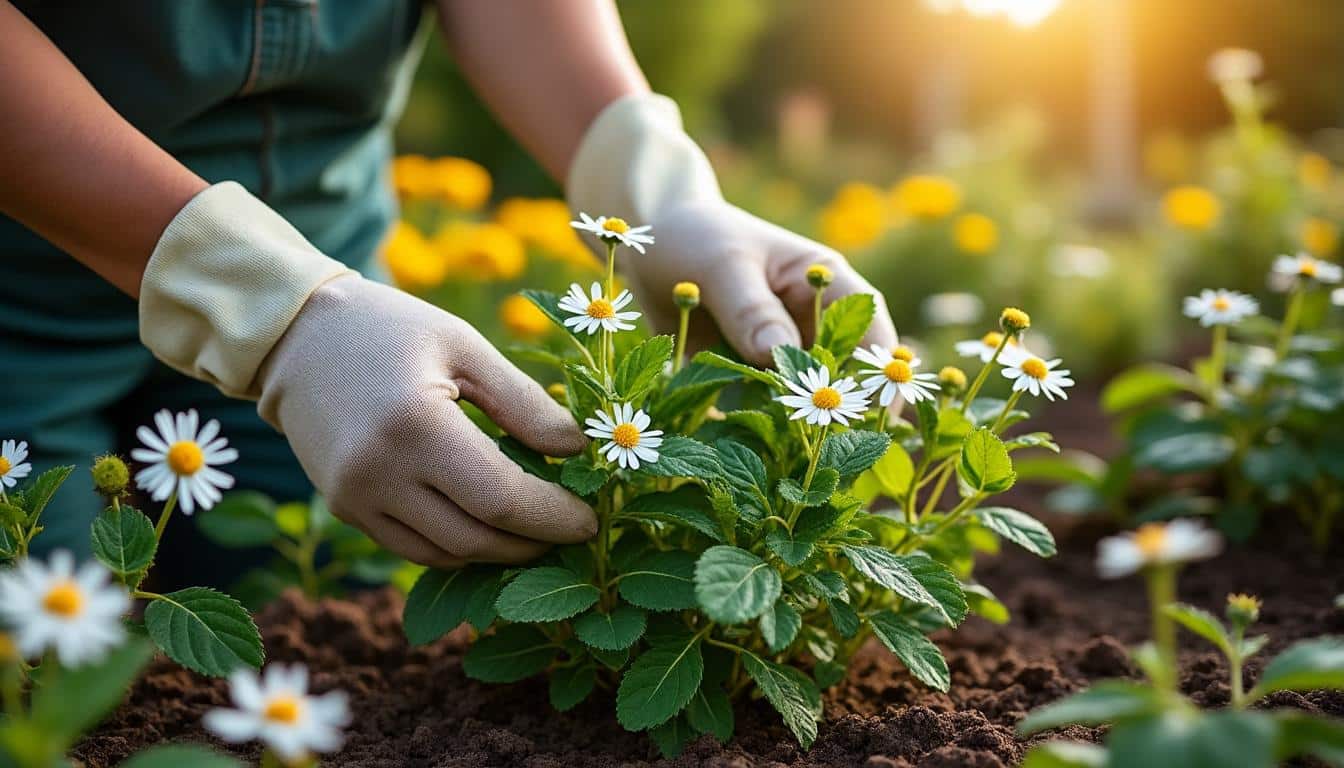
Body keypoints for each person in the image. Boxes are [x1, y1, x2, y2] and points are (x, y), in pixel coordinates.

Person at [0, 1, 896, 580]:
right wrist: (269, 308)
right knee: (50, 680)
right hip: (22, 297)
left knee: (328, 633)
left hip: (344, 312)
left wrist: (653, 188)